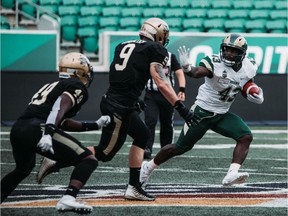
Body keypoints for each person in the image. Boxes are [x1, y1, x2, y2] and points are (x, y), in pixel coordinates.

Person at [36, 17, 199, 201]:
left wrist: (133, 99)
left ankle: (133, 187)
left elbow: (125, 75)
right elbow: (160, 81)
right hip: (119, 107)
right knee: (105, 152)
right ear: (158, 34)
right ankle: (57, 161)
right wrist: (181, 108)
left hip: (119, 101)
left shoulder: (123, 45)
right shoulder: (156, 48)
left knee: (142, 135)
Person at [140, 33, 264, 188]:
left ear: (242, 53)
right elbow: (196, 73)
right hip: (201, 113)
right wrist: (187, 68)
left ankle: (231, 174)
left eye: (233, 51)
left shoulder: (249, 66)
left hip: (222, 114)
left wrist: (254, 93)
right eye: (226, 49)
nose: (229, 53)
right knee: (179, 148)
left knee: (245, 136)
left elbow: (246, 83)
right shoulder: (215, 63)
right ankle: (148, 167)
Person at [0, 52, 111, 213]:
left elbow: (63, 121)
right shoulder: (76, 85)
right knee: (88, 159)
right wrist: (48, 133)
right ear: (78, 72)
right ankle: (68, 198)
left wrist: (94, 125)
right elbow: (58, 108)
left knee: (23, 169)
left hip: (19, 128)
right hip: (38, 128)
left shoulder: (52, 85)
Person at [144, 52, 186, 159]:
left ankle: (166, 148)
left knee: (166, 122)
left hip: (167, 94)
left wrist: (182, 89)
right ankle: (147, 148)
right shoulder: (148, 54)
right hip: (151, 94)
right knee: (150, 120)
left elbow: (179, 72)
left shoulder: (171, 56)